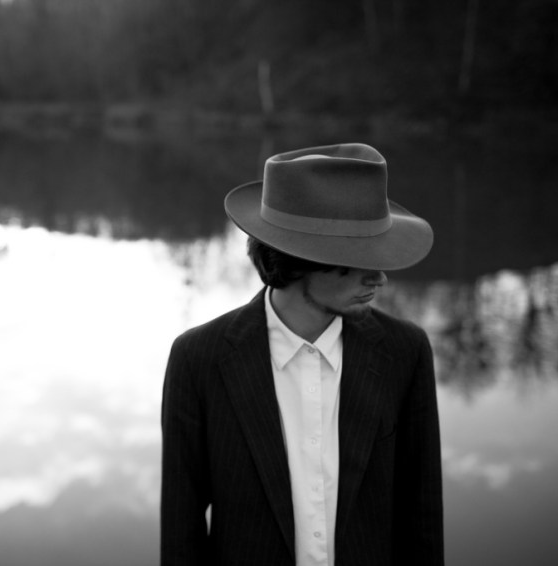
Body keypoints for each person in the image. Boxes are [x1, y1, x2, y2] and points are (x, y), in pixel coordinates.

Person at [160, 143, 443, 566]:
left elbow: (421, 519)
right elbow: (181, 529)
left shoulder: (406, 352)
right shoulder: (198, 359)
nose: (380, 277)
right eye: (360, 258)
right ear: (296, 261)